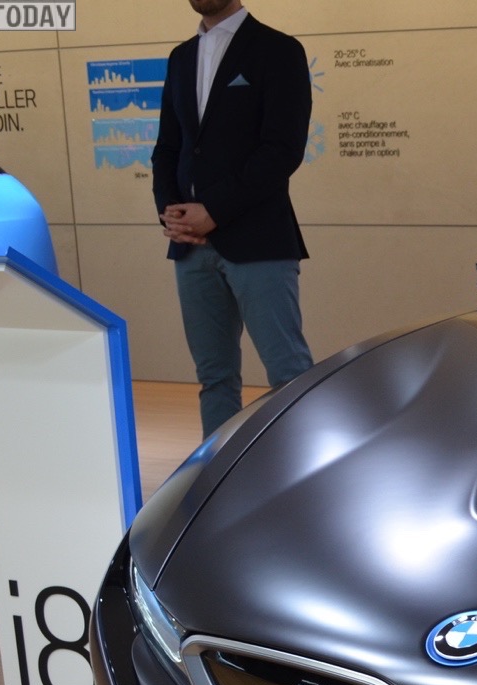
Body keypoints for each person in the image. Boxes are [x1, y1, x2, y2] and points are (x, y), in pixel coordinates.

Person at [153, 0, 315, 437]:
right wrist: (171, 213)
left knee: (289, 375)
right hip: (191, 248)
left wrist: (214, 211)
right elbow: (168, 147)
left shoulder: (279, 50)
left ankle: (301, 468)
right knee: (215, 379)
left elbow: (282, 149)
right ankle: (220, 473)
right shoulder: (181, 57)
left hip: (259, 241)